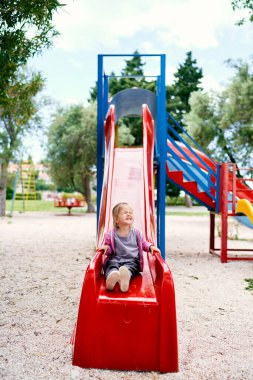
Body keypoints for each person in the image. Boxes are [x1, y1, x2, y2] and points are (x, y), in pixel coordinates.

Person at [100, 202, 160, 292]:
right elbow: (109, 248)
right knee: (110, 265)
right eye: (125, 212)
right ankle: (111, 279)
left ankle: (124, 279)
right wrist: (106, 248)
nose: (128, 214)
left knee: (129, 268)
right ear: (116, 220)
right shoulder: (111, 234)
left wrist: (150, 247)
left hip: (132, 260)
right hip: (115, 259)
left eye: (130, 212)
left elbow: (144, 243)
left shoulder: (137, 233)